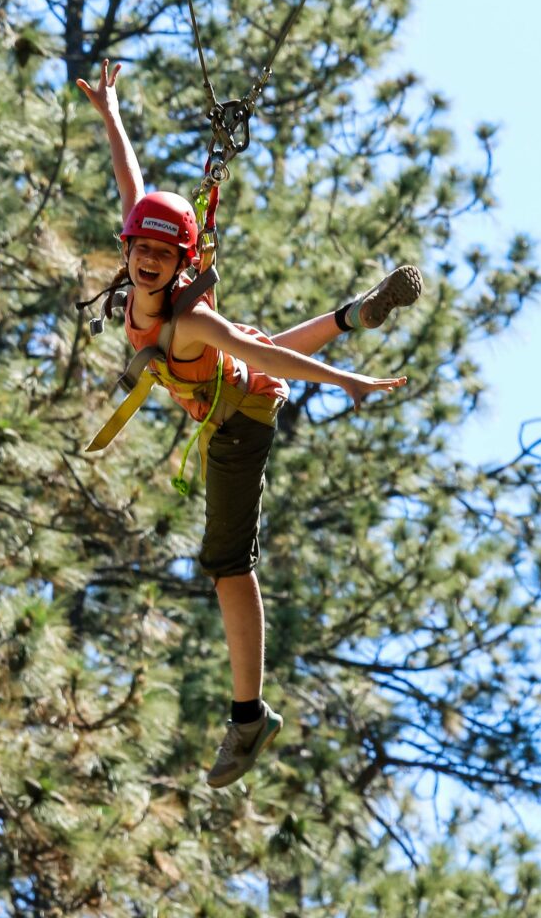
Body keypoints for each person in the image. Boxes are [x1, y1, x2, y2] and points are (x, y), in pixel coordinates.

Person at [77, 60, 422, 789]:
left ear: (179, 263)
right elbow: (131, 187)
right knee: (241, 364)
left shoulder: (187, 315)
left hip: (238, 421)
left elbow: (263, 355)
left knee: (227, 567)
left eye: (160, 255)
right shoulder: (150, 267)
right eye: (139, 249)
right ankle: (352, 314)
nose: (144, 262)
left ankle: (248, 715)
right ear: (129, 246)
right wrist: (111, 114)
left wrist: (344, 382)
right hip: (236, 386)